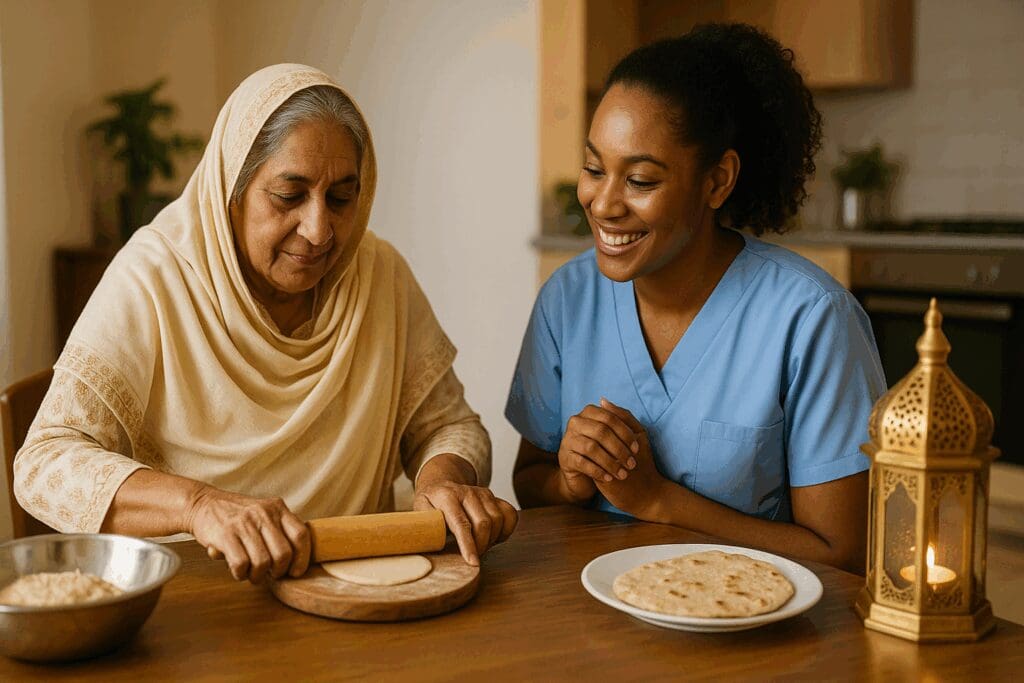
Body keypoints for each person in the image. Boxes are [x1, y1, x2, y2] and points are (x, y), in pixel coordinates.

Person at [15, 64, 516, 582]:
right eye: (288, 196)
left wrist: (444, 479)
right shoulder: (154, 278)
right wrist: (200, 507)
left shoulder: (379, 274)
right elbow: (45, 466)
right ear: (232, 187)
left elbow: (449, 425)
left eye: (342, 198)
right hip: (202, 599)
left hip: (359, 587)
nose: (319, 229)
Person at [506, 24, 885, 573]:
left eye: (639, 180)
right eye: (593, 169)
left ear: (717, 181)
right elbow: (528, 483)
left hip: (758, 638)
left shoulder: (812, 319)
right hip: (590, 623)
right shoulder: (567, 300)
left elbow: (846, 556)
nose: (603, 203)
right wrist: (568, 481)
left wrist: (657, 500)